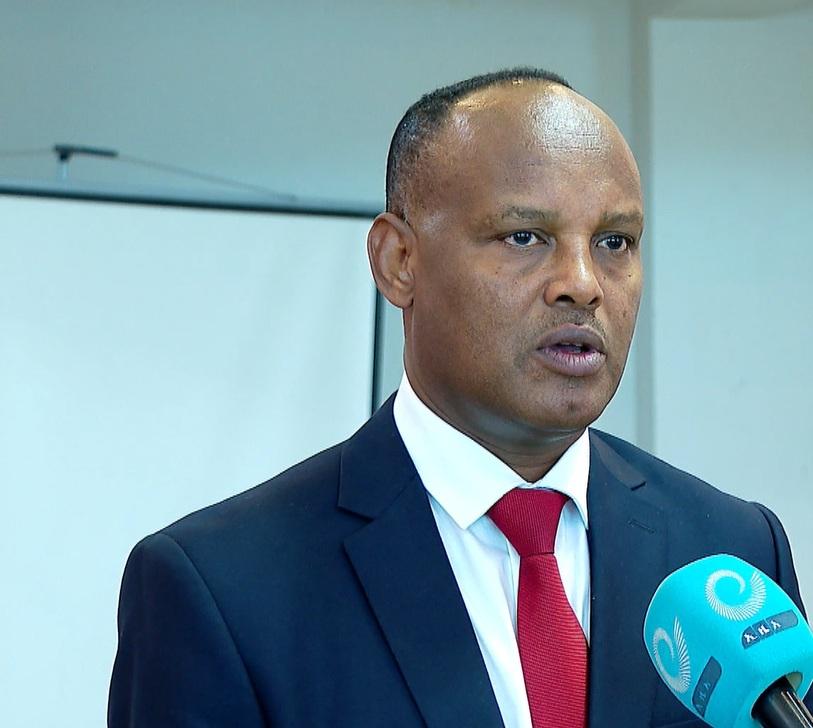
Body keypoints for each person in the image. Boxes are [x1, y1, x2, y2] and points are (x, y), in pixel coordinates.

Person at [108, 68, 806, 728]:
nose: (582, 283)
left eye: (614, 241)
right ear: (398, 262)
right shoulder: (222, 589)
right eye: (524, 236)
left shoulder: (730, 555)